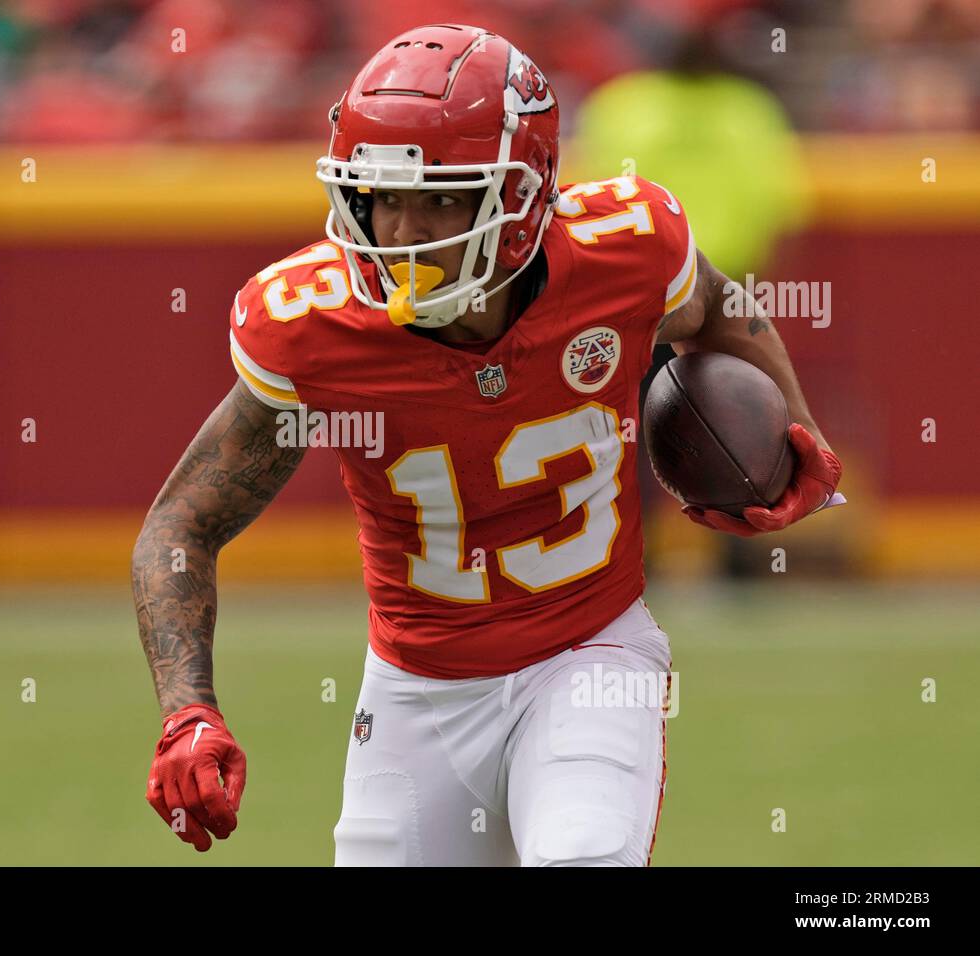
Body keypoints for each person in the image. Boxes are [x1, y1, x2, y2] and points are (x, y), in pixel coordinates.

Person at [132, 24, 843, 866]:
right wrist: (189, 711)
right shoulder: (316, 329)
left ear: (522, 193)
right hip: (415, 689)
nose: (401, 232)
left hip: (589, 651)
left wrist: (797, 444)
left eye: (440, 197)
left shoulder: (625, 249)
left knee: (581, 856)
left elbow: (721, 308)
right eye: (382, 197)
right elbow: (180, 527)